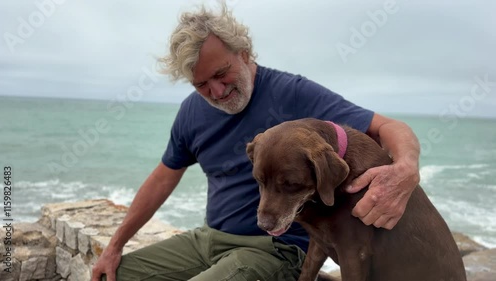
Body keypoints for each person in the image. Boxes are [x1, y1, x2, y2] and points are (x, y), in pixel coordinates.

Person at [92, 3, 420, 281]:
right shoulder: (193, 111)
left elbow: (388, 126)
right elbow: (164, 176)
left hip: (275, 250)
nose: (216, 92)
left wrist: (406, 170)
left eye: (222, 74)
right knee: (115, 276)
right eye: (201, 84)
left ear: (244, 52)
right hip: (208, 240)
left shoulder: (292, 93)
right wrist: (115, 246)